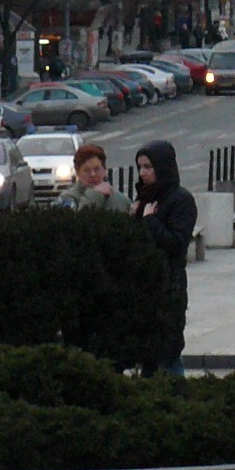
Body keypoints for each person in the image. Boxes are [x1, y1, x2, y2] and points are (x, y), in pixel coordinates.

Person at [132, 142, 199, 375]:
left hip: (169, 284)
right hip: (144, 286)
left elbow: (176, 243)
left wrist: (151, 221)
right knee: (148, 353)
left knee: (168, 352)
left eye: (148, 167)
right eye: (140, 167)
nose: (143, 173)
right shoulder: (144, 198)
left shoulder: (180, 200)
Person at [58, 143, 131, 212]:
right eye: (87, 170)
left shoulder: (121, 200)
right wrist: (95, 194)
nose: (93, 174)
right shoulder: (68, 198)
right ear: (78, 173)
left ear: (104, 170)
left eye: (97, 169)